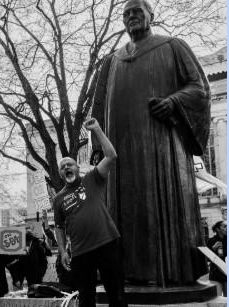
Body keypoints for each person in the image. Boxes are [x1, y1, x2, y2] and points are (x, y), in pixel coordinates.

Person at [91, 0, 211, 287]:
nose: (131, 17)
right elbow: (97, 109)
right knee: (124, 212)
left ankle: (171, 273)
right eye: (126, 14)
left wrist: (173, 102)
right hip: (121, 155)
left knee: (160, 208)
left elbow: (199, 88)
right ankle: (128, 274)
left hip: (161, 149)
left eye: (137, 12)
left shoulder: (172, 46)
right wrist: (98, 148)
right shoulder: (111, 61)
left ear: (151, 16)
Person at [53, 118, 127, 307]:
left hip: (108, 243)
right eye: (62, 167)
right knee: (86, 300)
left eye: (70, 164)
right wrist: (62, 251)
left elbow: (111, 156)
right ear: (61, 174)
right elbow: (59, 227)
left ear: (78, 168)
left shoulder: (92, 178)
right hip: (80, 253)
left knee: (116, 296)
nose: (66, 167)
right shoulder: (58, 199)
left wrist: (97, 130)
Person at [207, 221, 227, 296]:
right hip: (215, 273)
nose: (226, 228)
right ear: (218, 229)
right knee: (216, 299)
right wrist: (213, 248)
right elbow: (208, 258)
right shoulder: (211, 241)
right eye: (224, 227)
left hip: (227, 271)